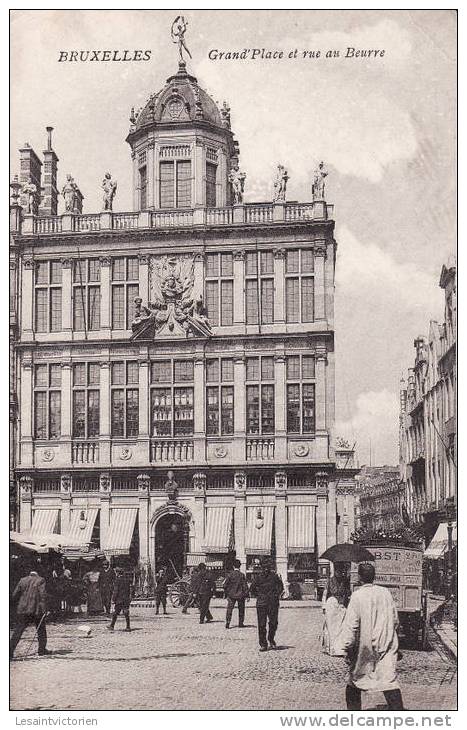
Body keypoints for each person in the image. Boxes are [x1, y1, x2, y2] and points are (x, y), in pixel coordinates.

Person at [334, 562, 404, 711]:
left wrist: (345, 646)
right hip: (386, 643)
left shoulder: (357, 596)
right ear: (374, 576)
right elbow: (395, 619)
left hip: (364, 648)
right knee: (389, 680)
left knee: (355, 682)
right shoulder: (385, 593)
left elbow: (351, 625)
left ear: (359, 577)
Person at [10, 569, 50, 658]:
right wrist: (44, 610)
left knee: (18, 630)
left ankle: (9, 651)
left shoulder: (22, 580)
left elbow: (15, 594)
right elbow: (42, 595)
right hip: (36, 610)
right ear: (37, 573)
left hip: (23, 609)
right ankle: (42, 650)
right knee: (41, 629)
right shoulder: (41, 580)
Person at [250, 559, 284, 651]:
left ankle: (271, 639)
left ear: (270, 568)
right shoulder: (258, 578)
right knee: (261, 624)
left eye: (267, 568)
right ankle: (263, 644)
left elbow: (281, 587)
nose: (266, 569)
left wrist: (276, 594)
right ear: (261, 568)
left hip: (273, 603)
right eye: (264, 568)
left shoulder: (274, 577)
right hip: (262, 603)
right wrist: (259, 595)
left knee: (273, 623)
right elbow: (252, 589)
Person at [321, 562, 351, 656]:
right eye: (338, 570)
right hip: (332, 605)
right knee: (331, 628)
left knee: (341, 628)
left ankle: (339, 648)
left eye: (341, 571)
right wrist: (324, 606)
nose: (339, 572)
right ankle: (331, 649)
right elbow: (325, 594)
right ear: (335, 571)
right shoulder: (330, 581)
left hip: (342, 606)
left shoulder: (345, 581)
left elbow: (348, 594)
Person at [223, 559, 249, 629]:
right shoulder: (242, 575)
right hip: (241, 595)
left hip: (231, 595)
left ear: (233, 566)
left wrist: (227, 592)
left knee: (229, 609)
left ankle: (228, 623)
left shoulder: (230, 575)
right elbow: (245, 586)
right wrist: (247, 595)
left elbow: (225, 585)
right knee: (241, 609)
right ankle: (240, 623)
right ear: (239, 566)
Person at [108, 567, 132, 632]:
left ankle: (112, 626)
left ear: (117, 573)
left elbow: (116, 590)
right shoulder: (127, 580)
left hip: (119, 599)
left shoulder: (117, 580)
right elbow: (129, 590)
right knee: (126, 612)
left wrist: (113, 599)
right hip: (126, 599)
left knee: (115, 613)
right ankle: (128, 626)